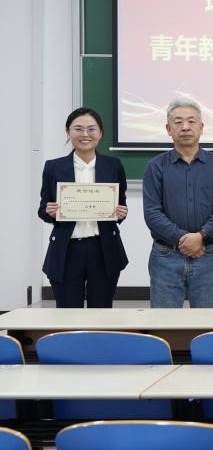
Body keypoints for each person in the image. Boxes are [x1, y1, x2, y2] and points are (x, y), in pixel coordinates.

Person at [142, 98, 213, 308]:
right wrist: (184, 239)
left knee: (207, 321)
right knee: (163, 322)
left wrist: (201, 236)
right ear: (168, 129)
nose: (185, 127)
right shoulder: (156, 166)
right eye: (178, 122)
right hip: (166, 256)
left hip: (208, 254)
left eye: (191, 121)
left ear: (201, 127)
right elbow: (152, 213)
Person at [37, 107, 129, 308]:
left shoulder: (113, 165)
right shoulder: (53, 167)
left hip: (103, 249)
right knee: (68, 312)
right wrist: (49, 212)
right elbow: (43, 208)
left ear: (100, 133)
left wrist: (121, 212)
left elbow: (121, 204)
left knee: (101, 311)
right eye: (78, 129)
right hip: (67, 249)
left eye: (91, 129)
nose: (85, 134)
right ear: (68, 132)